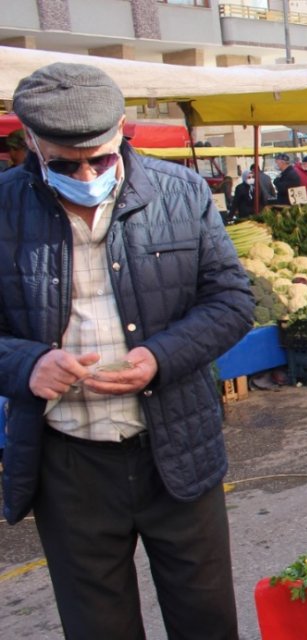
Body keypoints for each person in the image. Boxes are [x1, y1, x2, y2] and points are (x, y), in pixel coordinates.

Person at [0, 62, 253, 639]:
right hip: (68, 461)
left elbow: (231, 300)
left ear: (121, 130)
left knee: (206, 619)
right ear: (30, 141)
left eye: (101, 157)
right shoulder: (4, 207)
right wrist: (25, 365)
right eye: (65, 164)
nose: (86, 174)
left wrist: (160, 358)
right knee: (98, 625)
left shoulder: (181, 192)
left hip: (177, 448)